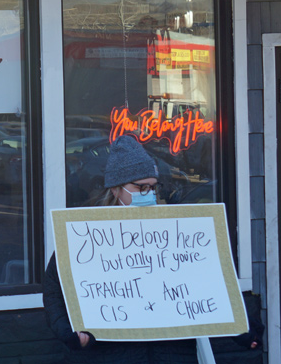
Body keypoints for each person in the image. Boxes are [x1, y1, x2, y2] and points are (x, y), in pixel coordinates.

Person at [43, 136, 262, 363]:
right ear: (116, 189)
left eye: (153, 187)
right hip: (110, 355)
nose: (148, 193)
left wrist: (242, 328)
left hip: (171, 353)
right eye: (141, 187)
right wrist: (68, 332)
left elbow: (206, 281)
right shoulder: (86, 233)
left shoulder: (170, 230)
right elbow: (54, 289)